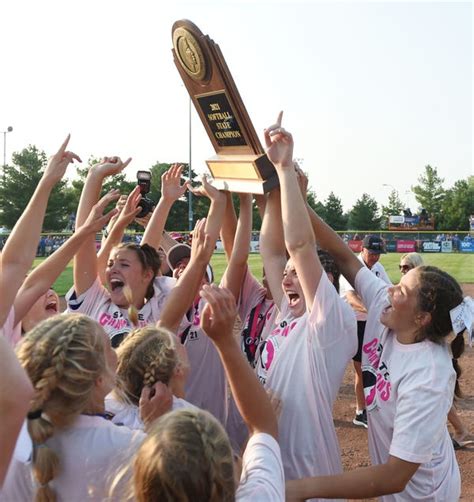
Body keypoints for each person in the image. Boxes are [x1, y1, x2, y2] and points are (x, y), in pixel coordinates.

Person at [285, 203, 471, 500]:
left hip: (424, 496)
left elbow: (395, 476)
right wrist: (300, 201)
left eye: (402, 291)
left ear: (421, 318)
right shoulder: (387, 309)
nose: (390, 290)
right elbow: (343, 254)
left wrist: (302, 488)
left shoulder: (428, 374)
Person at [257, 113, 357, 488]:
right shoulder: (289, 312)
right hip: (271, 462)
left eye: (295, 273)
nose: (285, 276)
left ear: (326, 282)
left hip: (307, 472)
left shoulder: (330, 320)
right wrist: (272, 191)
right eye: (287, 274)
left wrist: (285, 171)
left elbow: (299, 246)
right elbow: (272, 251)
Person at [129, 285, 284, 501]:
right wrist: (225, 341)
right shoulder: (256, 495)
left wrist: (150, 428)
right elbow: (264, 426)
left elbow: (164, 326)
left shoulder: (122, 438)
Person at [1, 314, 170, 501]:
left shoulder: (10, 436)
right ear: (98, 377)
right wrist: (156, 429)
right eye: (108, 347)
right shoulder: (132, 447)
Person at [66, 159, 186, 347]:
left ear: (147, 275)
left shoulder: (158, 308)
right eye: (110, 264)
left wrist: (166, 201)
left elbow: (148, 250)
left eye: (124, 264)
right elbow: (84, 242)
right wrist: (95, 176)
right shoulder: (95, 302)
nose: (113, 269)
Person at [339, 234, 392, 428]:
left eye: (378, 253)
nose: (375, 257)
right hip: (354, 324)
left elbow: (388, 289)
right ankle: (361, 412)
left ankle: (373, 406)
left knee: (375, 367)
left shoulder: (378, 268)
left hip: (371, 324)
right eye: (372, 253)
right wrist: (373, 309)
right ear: (362, 249)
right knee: (361, 370)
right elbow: (351, 298)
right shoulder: (352, 267)